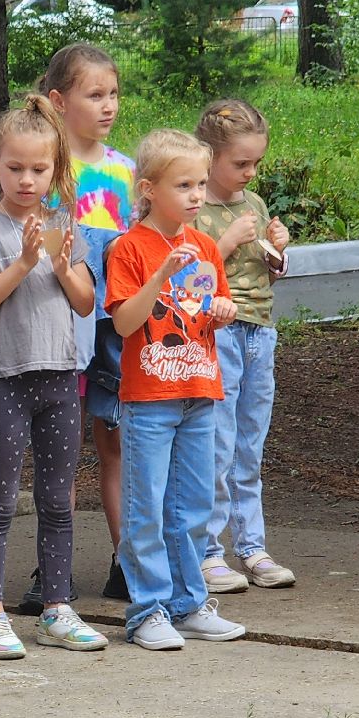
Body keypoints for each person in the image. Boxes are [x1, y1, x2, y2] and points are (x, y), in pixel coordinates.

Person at [0, 96, 106, 659]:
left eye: (38, 169)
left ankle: (56, 607)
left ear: (55, 171)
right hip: (3, 382)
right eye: (15, 167)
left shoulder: (65, 225)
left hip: (59, 379)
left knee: (58, 501)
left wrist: (64, 268)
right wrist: (21, 263)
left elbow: (86, 302)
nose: (27, 179)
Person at [106, 130, 248, 651]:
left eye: (200, 183)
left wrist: (223, 311)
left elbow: (211, 310)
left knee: (191, 509)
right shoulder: (129, 247)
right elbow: (124, 324)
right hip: (148, 401)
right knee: (146, 508)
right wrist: (161, 273)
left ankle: (188, 605)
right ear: (148, 189)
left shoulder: (207, 245)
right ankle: (146, 610)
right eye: (183, 184)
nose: (195, 195)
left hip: (199, 392)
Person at [192, 99, 297, 595]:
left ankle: (252, 545)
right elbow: (188, 274)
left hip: (260, 330)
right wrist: (226, 243)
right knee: (216, 442)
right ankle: (209, 551)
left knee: (249, 444)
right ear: (208, 157)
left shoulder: (252, 205)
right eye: (240, 164)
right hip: (219, 333)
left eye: (256, 163)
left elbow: (268, 269)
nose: (250, 173)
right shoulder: (195, 207)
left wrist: (279, 249)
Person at [44, 42, 133, 605]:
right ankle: (52, 569)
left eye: (114, 94)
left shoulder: (125, 170)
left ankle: (128, 560)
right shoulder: (49, 169)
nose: (108, 106)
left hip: (116, 324)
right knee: (59, 446)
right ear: (59, 100)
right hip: (63, 320)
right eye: (94, 94)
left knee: (117, 442)